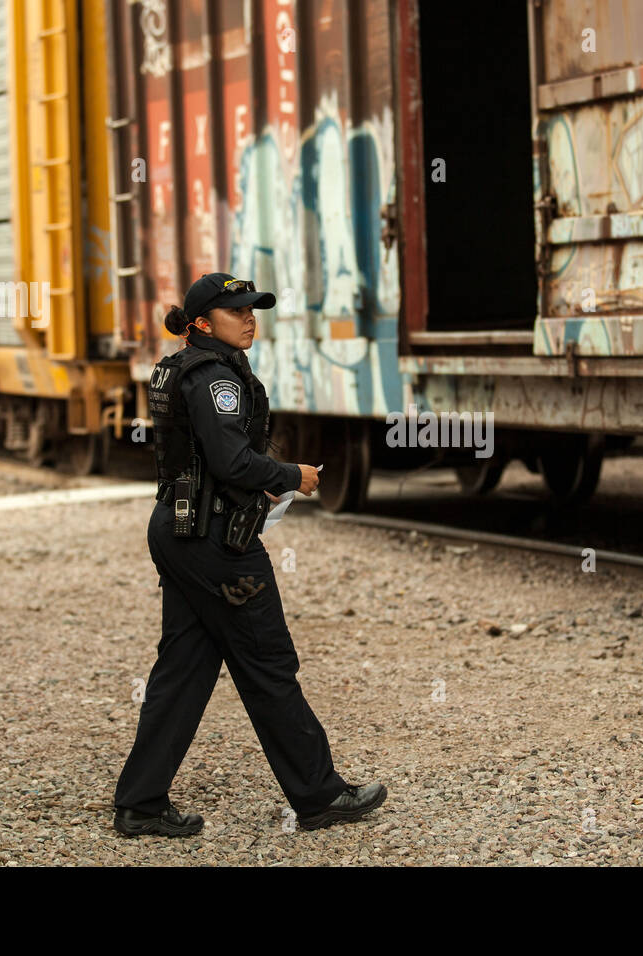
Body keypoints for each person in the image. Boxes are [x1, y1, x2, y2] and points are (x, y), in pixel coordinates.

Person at [113, 272, 386, 835]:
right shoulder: (217, 377)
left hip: (181, 528)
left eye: (253, 309)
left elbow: (208, 459)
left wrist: (250, 481)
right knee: (268, 662)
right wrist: (294, 475)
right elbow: (232, 461)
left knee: (185, 667)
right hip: (216, 543)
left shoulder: (179, 366)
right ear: (203, 323)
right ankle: (319, 796)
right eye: (237, 311)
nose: (250, 318)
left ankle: (140, 804)